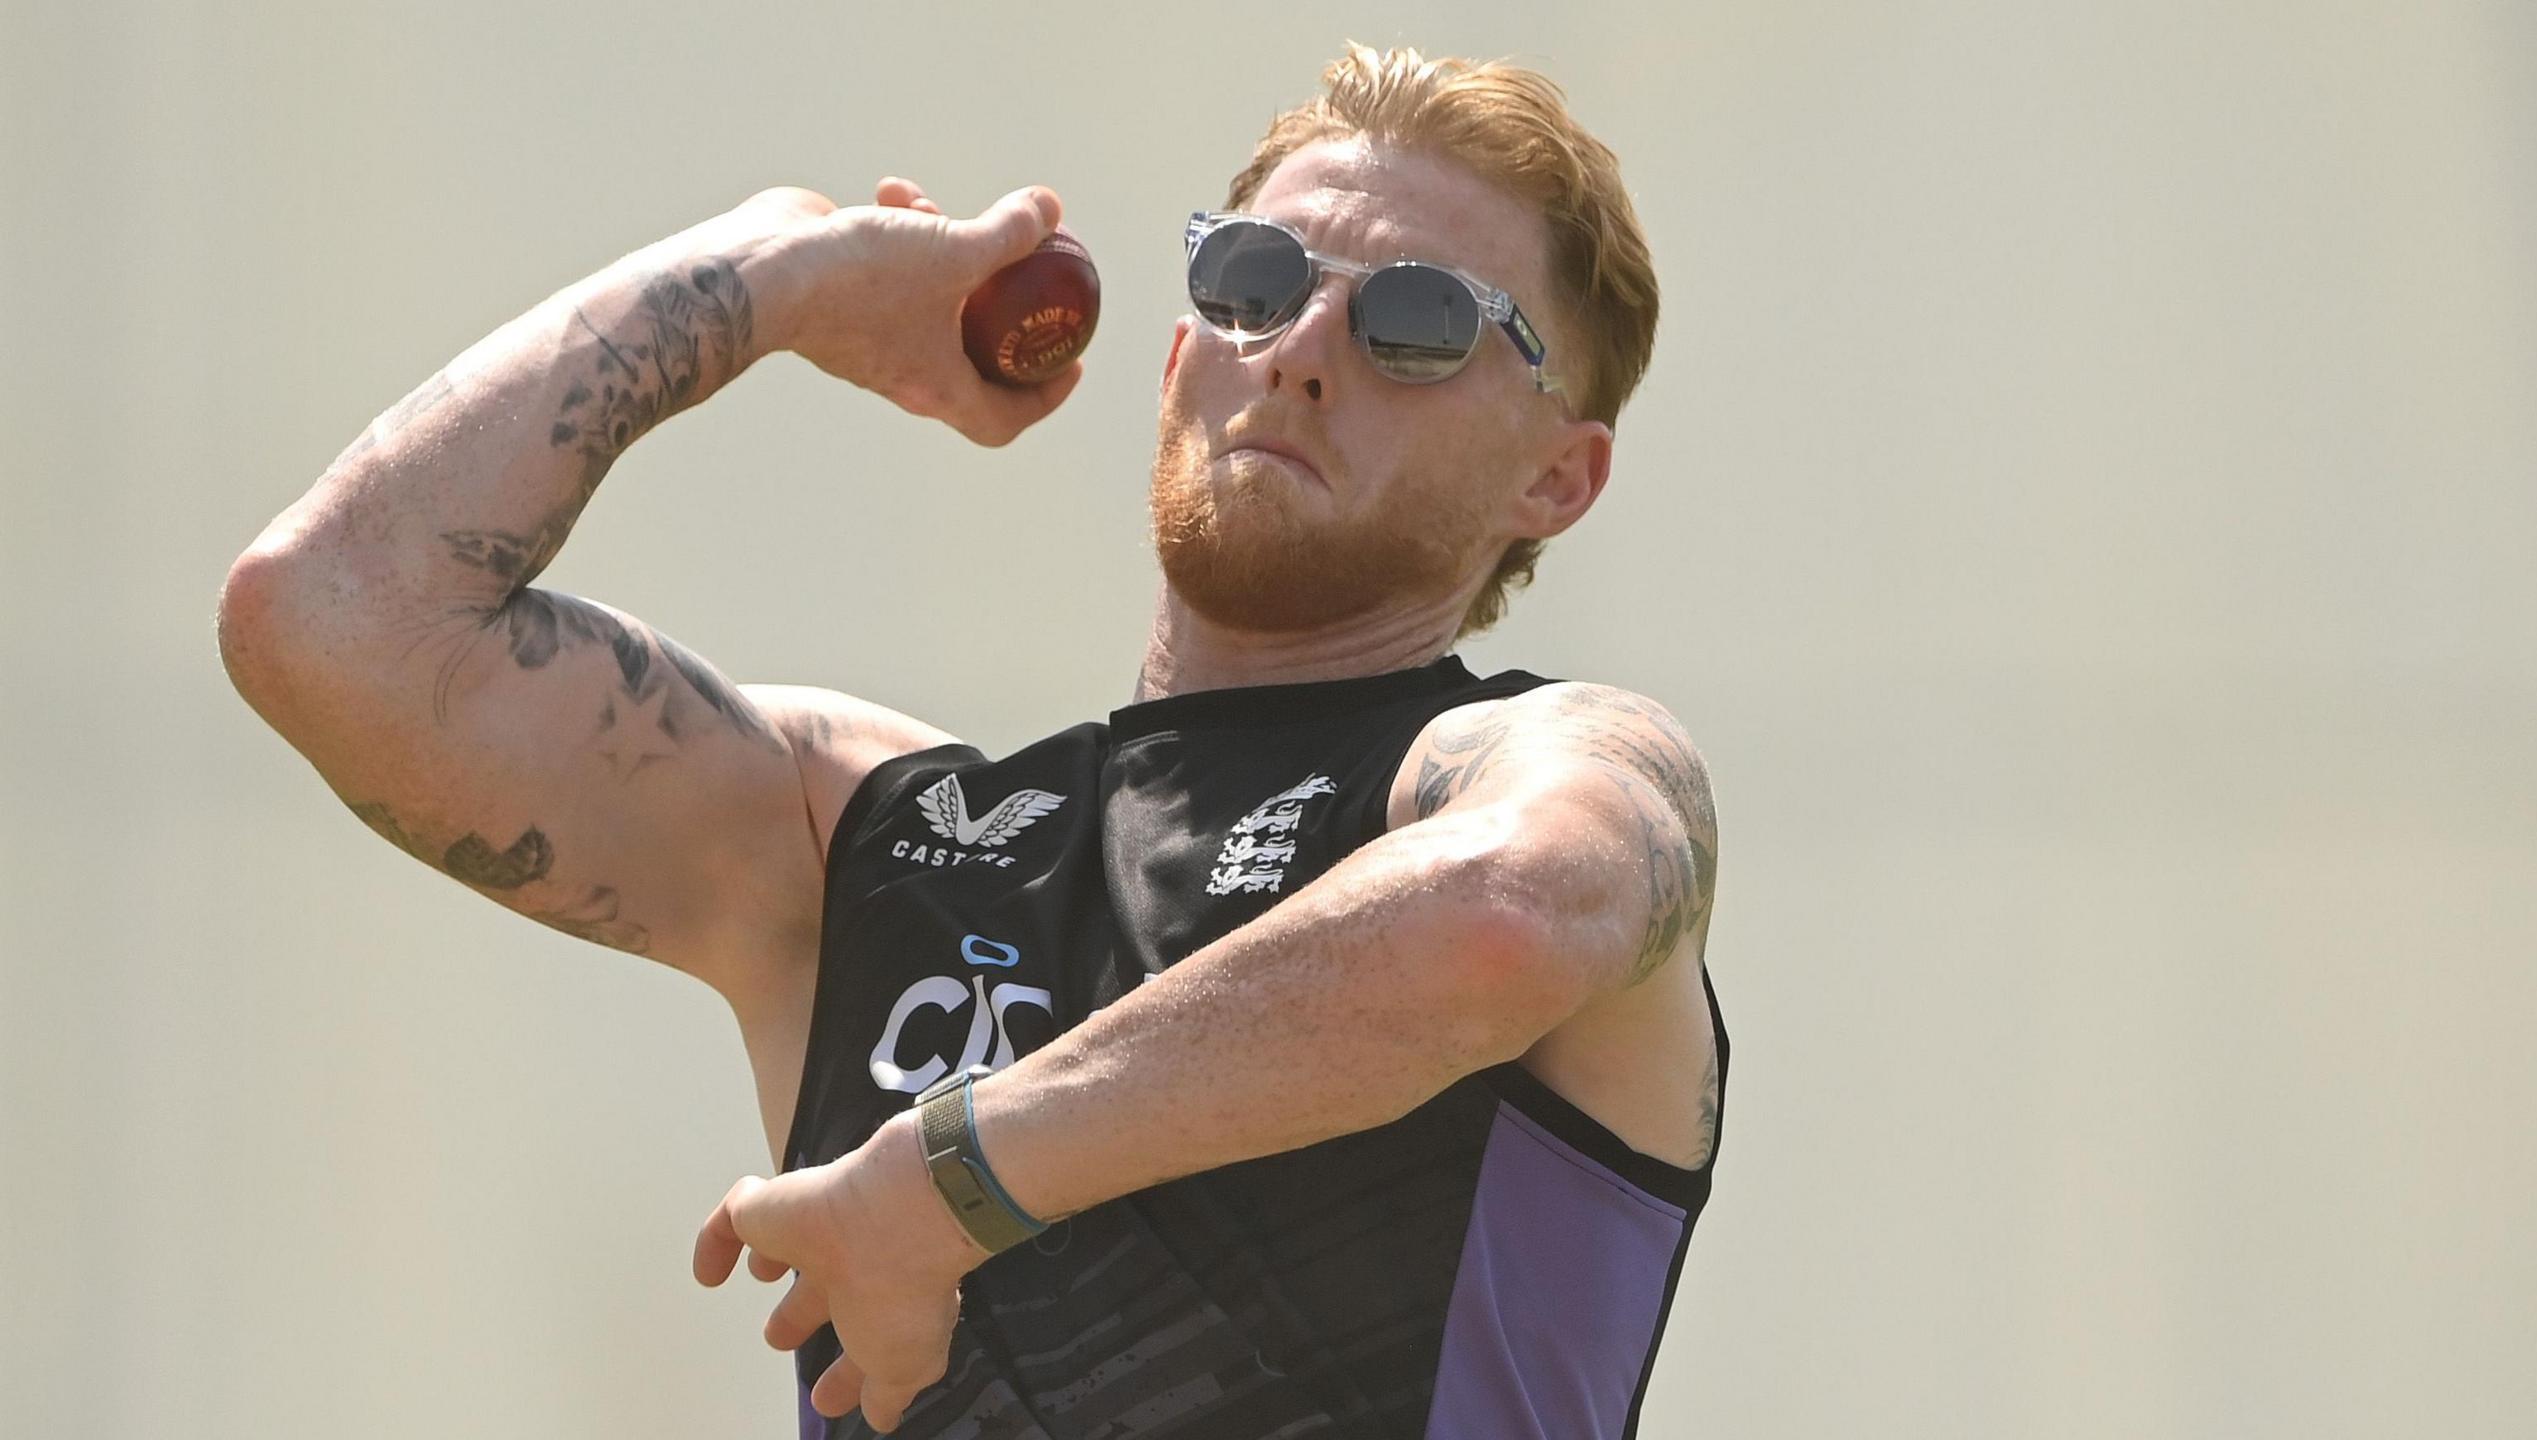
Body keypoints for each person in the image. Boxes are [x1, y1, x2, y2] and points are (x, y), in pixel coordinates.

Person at [219, 41, 1725, 1440]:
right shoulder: (861, 835)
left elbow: (1514, 919)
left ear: (1558, 478)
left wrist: (950, 1184)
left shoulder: (1530, 766)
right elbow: (333, 620)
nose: (1304, 345)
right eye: (1256, 280)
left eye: (1418, 319)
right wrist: (773, 275)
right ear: (1176, 355)